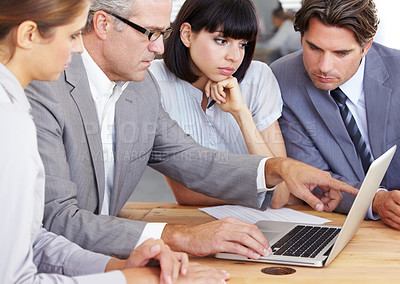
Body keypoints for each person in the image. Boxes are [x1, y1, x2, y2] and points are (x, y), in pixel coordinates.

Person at [25, 0, 358, 263]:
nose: (158, 48)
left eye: (162, 33)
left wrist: (277, 168)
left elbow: (187, 157)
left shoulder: (139, 89)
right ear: (102, 25)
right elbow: (57, 220)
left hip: (109, 258)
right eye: (150, 33)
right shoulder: (45, 86)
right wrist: (180, 236)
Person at [0, 0, 230, 283]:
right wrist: (136, 280)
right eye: (72, 35)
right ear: (28, 35)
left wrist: (116, 269)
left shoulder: (13, 107)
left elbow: (32, 241)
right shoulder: (13, 118)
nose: (77, 47)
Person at [149, 0, 299, 208]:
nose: (234, 57)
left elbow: (279, 195)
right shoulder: (154, 80)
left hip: (258, 224)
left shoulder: (257, 77)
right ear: (186, 35)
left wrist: (241, 114)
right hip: (196, 223)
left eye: (242, 44)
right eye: (221, 40)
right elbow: (186, 194)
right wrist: (261, 192)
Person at [271, 0, 400, 230]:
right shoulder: (281, 80)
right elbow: (311, 175)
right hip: (344, 225)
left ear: (366, 46)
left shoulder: (397, 70)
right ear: (301, 39)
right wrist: (376, 201)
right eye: (314, 48)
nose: (324, 67)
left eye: (341, 53)